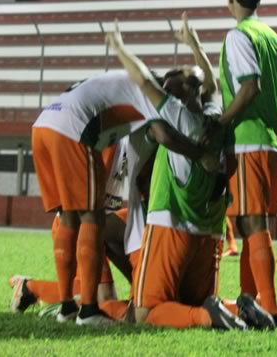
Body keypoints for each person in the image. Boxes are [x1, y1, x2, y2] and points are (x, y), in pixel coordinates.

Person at [106, 17, 275, 331]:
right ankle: (238, 306)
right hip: (209, 233)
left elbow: (143, 81)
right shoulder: (217, 117)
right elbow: (208, 82)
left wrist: (119, 48)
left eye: (174, 78)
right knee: (191, 300)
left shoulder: (180, 118)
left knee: (146, 312)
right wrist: (194, 43)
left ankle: (207, 318)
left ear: (177, 91)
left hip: (171, 226)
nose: (166, 81)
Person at [31, 61, 216, 326]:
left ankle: (67, 307)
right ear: (169, 81)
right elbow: (163, 134)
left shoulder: (134, 83)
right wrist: (201, 156)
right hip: (75, 130)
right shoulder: (150, 89)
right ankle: (88, 311)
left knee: (69, 217)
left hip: (45, 123)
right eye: (187, 86)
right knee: (91, 218)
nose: (185, 96)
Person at [212, 0, 277, 326]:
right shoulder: (274, 38)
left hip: (247, 142)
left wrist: (221, 120)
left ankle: (269, 305)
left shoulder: (238, 36)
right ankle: (250, 300)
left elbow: (249, 87)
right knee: (250, 223)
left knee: (253, 222)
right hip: (272, 140)